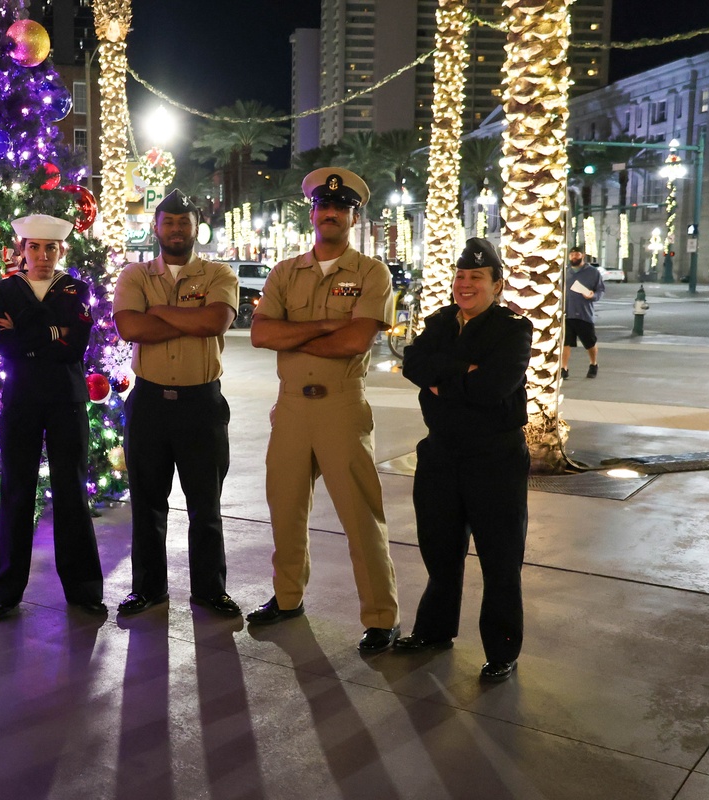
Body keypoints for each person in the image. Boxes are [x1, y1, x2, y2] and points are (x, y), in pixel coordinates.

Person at [246, 167, 400, 654]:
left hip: (341, 408)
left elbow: (357, 340)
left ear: (355, 217)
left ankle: (381, 616)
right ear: (312, 213)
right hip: (290, 408)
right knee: (285, 510)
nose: (330, 213)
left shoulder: (371, 273)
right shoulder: (285, 272)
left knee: (360, 516)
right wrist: (324, 330)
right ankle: (288, 598)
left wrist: (296, 328)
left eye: (342, 208)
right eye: (322, 206)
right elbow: (261, 334)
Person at [396, 238, 532, 683]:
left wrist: (442, 378)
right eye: (460, 276)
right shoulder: (440, 321)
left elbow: (492, 389)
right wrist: (464, 371)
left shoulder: (513, 328)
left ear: (497, 284)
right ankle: (434, 632)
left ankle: (502, 651)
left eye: (476, 277)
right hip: (440, 455)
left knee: (500, 559)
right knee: (439, 551)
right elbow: (413, 362)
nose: (465, 284)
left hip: (494, 459)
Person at [112, 189, 242, 618]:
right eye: (169, 221)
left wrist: (159, 312)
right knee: (147, 504)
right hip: (148, 403)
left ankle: (210, 590)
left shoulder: (219, 273)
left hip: (200, 405)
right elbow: (130, 327)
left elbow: (214, 321)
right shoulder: (134, 275)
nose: (176, 229)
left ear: (195, 227)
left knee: (206, 505)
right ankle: (148, 589)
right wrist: (186, 319)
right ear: (156, 227)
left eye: (184, 221)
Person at [0, 214, 105, 621]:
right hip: (21, 400)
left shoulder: (77, 290)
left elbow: (76, 347)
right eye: (33, 247)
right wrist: (54, 331)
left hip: (65, 400)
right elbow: (4, 346)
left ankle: (84, 590)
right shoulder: (4, 290)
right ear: (21, 251)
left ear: (61, 251)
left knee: (71, 491)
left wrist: (26, 332)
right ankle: (5, 592)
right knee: (16, 492)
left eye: (49, 248)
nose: (41, 255)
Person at [561, 246, 605, 379]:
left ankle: (593, 364)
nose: (574, 256)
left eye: (577, 254)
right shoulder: (565, 271)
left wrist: (592, 295)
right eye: (572, 254)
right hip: (566, 313)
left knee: (589, 343)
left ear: (583, 255)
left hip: (584, 314)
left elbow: (600, 290)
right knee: (565, 342)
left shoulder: (592, 272)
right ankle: (564, 368)